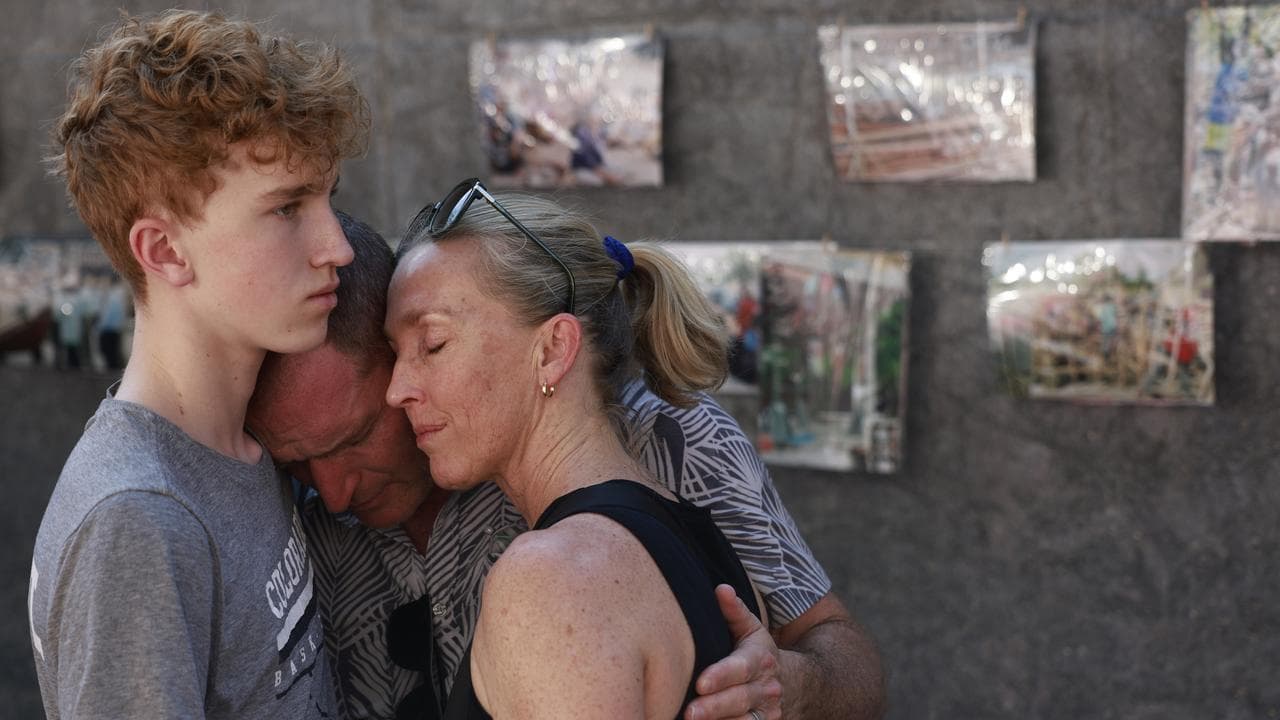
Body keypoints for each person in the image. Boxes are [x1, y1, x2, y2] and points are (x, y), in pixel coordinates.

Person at [28, 10, 368, 718]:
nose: (337, 245)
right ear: (165, 252)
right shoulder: (137, 521)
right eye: (287, 209)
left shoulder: (245, 451)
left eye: (328, 199)